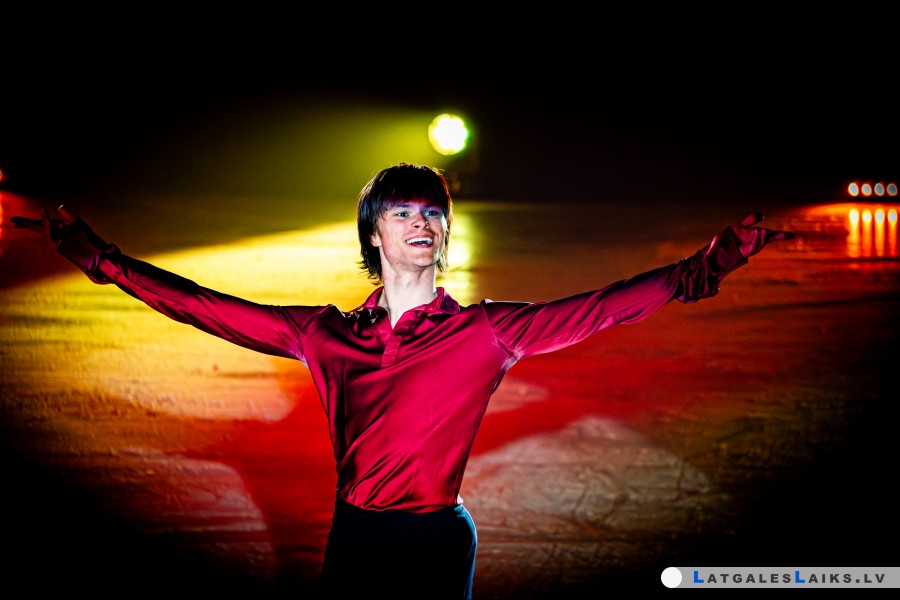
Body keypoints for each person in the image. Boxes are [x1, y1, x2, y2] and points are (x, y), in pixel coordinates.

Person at [11, 163, 793, 598]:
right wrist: (99, 258)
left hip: (434, 542)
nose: (422, 222)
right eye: (402, 213)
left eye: (432, 213)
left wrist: (712, 262)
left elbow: (606, 306)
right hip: (354, 540)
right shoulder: (324, 335)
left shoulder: (483, 333)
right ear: (374, 235)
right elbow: (204, 307)